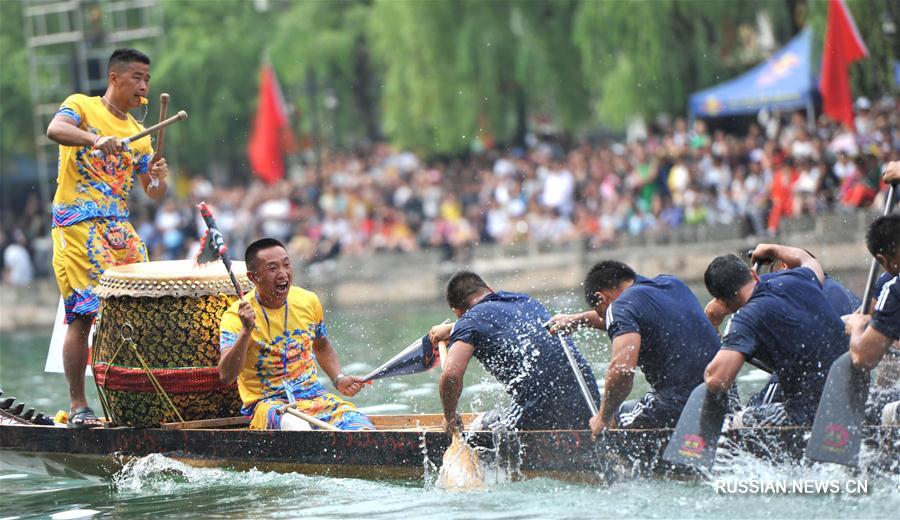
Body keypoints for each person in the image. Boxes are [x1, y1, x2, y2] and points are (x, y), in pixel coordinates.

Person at [46, 48, 169, 428]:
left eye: (147, 79)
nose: (144, 86)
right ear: (114, 78)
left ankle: (135, 403)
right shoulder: (80, 106)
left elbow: (153, 192)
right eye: (137, 78)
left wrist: (159, 176)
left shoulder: (139, 135)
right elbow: (55, 130)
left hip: (119, 228)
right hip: (78, 224)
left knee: (144, 310)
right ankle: (79, 406)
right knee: (83, 315)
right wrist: (95, 140)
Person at [218, 238, 373, 431]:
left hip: (313, 396)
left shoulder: (308, 301)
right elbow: (226, 376)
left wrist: (338, 378)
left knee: (362, 427)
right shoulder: (235, 317)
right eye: (272, 268)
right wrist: (246, 331)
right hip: (269, 404)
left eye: (286, 265)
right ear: (253, 277)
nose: (283, 274)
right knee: (298, 428)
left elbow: (322, 345)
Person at [554, 261, 721, 434]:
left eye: (601, 313)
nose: (607, 319)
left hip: (679, 403)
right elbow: (631, 319)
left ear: (601, 297)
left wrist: (603, 417)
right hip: (722, 394)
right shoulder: (670, 283)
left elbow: (622, 370)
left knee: (615, 420)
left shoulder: (619, 307)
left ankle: (624, 460)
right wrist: (578, 319)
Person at [429, 271, 600, 433]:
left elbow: (451, 375)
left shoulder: (468, 322)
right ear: (489, 289)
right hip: (590, 402)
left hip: (542, 410)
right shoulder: (523, 300)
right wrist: (454, 329)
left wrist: (450, 418)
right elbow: (498, 324)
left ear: (456, 311)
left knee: (478, 428)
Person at [703, 245, 847, 426]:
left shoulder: (745, 320)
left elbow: (718, 380)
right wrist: (772, 249)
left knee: (731, 424)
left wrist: (708, 370)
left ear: (722, 302)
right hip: (850, 390)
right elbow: (808, 259)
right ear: (754, 275)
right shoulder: (796, 278)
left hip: (809, 411)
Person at [745, 257, 861, 408]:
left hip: (815, 383)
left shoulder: (792, 291)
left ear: (783, 266)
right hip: (851, 384)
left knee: (751, 410)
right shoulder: (837, 289)